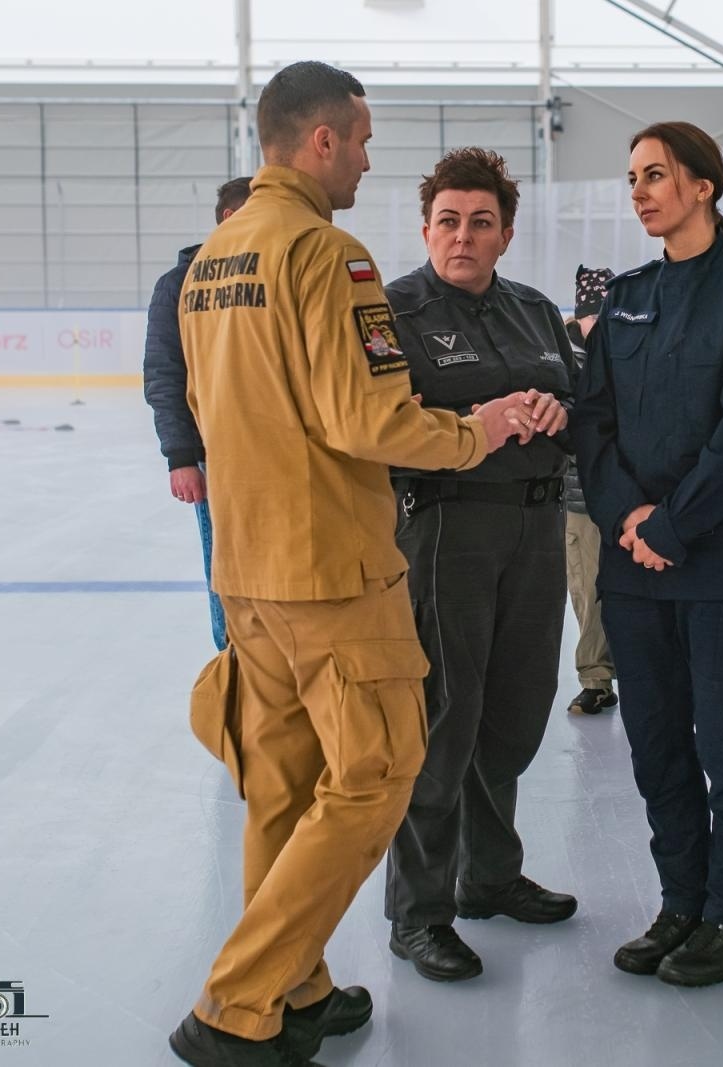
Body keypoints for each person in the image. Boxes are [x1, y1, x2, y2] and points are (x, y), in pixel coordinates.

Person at [170, 61, 535, 1067]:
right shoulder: (328, 256)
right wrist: (479, 430)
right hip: (332, 570)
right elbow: (363, 415)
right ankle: (238, 1000)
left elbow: (207, 412)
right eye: (364, 141)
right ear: (323, 140)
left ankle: (298, 986)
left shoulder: (213, 259)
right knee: (378, 771)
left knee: (281, 790)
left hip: (246, 570)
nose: (370, 161)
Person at [572, 120, 723, 988]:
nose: (639, 190)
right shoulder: (627, 294)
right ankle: (681, 904)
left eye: (656, 174)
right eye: (633, 176)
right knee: (656, 745)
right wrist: (631, 514)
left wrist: (673, 525)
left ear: (704, 185)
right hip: (634, 570)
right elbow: (592, 420)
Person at [381, 147, 578, 984]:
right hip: (447, 533)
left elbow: (580, 406)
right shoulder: (392, 313)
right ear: (427, 227)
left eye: (481, 222)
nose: (463, 235)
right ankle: (418, 912)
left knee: (514, 714)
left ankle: (489, 876)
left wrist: (555, 406)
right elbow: (381, 426)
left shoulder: (535, 310)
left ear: (505, 233)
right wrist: (480, 418)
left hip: (537, 533)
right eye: (449, 220)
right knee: (443, 722)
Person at [143, 176, 251, 651]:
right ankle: (233, 673)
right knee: (226, 576)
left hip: (274, 455)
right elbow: (164, 374)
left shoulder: (264, 279)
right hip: (213, 461)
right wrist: (181, 456)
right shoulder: (178, 287)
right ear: (230, 219)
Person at [563, 264, 620, 717]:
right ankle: (596, 678)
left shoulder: (621, 348)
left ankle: (612, 671)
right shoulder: (564, 355)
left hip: (619, 493)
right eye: (593, 316)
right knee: (587, 587)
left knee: (615, 588)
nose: (599, 325)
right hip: (578, 497)